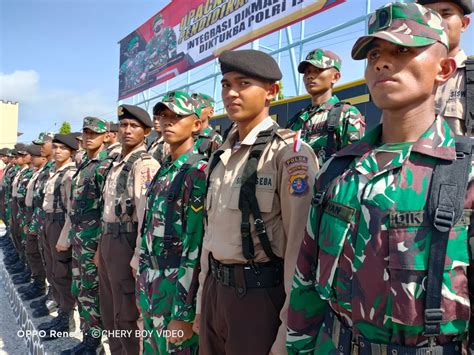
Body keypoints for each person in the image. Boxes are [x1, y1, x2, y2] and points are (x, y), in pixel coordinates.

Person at [286, 2, 473, 354]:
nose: (382, 62)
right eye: (374, 54)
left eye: (403, 50)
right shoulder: (338, 171)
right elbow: (306, 285)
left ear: (444, 68)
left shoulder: (464, 175)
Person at [194, 49, 318, 355]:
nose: (231, 92)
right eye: (225, 84)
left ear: (271, 92)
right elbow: (211, 237)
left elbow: (298, 248)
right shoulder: (220, 155)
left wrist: (290, 326)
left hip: (258, 297)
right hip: (215, 293)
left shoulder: (289, 153)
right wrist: (201, 303)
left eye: (243, 83)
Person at [137, 91, 206, 354]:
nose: (168, 122)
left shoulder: (197, 173)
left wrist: (185, 313)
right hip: (151, 281)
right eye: (163, 116)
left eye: (177, 116)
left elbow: (194, 248)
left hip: (176, 286)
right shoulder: (164, 170)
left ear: (196, 124)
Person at [97, 104, 159, 354]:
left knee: (127, 314)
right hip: (109, 240)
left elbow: (146, 216)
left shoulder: (145, 164)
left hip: (127, 241)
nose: (127, 130)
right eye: (123, 125)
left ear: (146, 131)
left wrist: (138, 256)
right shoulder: (116, 163)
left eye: (134, 126)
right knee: (109, 308)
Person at [59, 117, 113, 355]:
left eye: (95, 133)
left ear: (106, 136)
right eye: (86, 133)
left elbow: (107, 208)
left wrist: (101, 245)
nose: (90, 137)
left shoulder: (105, 166)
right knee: (80, 288)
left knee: (92, 290)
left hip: (94, 239)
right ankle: (88, 339)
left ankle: (95, 343)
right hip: (80, 237)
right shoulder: (85, 164)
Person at [286, 48, 365, 166]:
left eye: (317, 70)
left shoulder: (346, 114)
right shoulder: (295, 121)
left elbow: (354, 164)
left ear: (335, 77)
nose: (310, 76)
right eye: (307, 72)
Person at [38, 133, 77, 340]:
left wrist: (65, 236)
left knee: (62, 272)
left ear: (71, 151)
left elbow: (72, 209)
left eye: (62, 148)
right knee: (52, 269)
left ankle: (67, 317)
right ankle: (61, 311)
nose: (57, 151)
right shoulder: (54, 171)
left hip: (61, 223)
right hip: (49, 221)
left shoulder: (70, 174)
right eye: (55, 147)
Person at [417, 0, 473, 136]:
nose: (436, 22)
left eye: (445, 14)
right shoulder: (406, 77)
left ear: (464, 24)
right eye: (428, 16)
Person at [18, 144, 48, 302]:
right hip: (31, 215)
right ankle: (36, 281)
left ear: (42, 158)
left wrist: (34, 223)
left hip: (40, 218)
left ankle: (41, 286)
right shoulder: (38, 173)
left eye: (34, 156)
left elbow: (42, 202)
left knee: (38, 254)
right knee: (32, 251)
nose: (30, 158)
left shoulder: (46, 173)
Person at [191, 93, 223, 157]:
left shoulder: (214, 138)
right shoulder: (185, 135)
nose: (194, 110)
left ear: (210, 113)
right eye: (192, 107)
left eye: (199, 107)